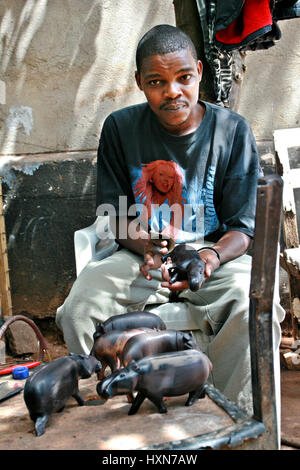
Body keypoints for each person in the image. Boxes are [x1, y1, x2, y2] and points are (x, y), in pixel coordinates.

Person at [56, 25, 284, 425]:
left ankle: (231, 417)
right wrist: (146, 247)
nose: (172, 92)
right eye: (157, 82)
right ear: (140, 83)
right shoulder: (120, 129)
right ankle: (121, 413)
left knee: (252, 304)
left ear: (198, 72)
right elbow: (112, 216)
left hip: (214, 258)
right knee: (79, 310)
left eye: (183, 78)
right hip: (141, 255)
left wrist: (210, 258)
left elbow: (243, 229)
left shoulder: (232, 131)